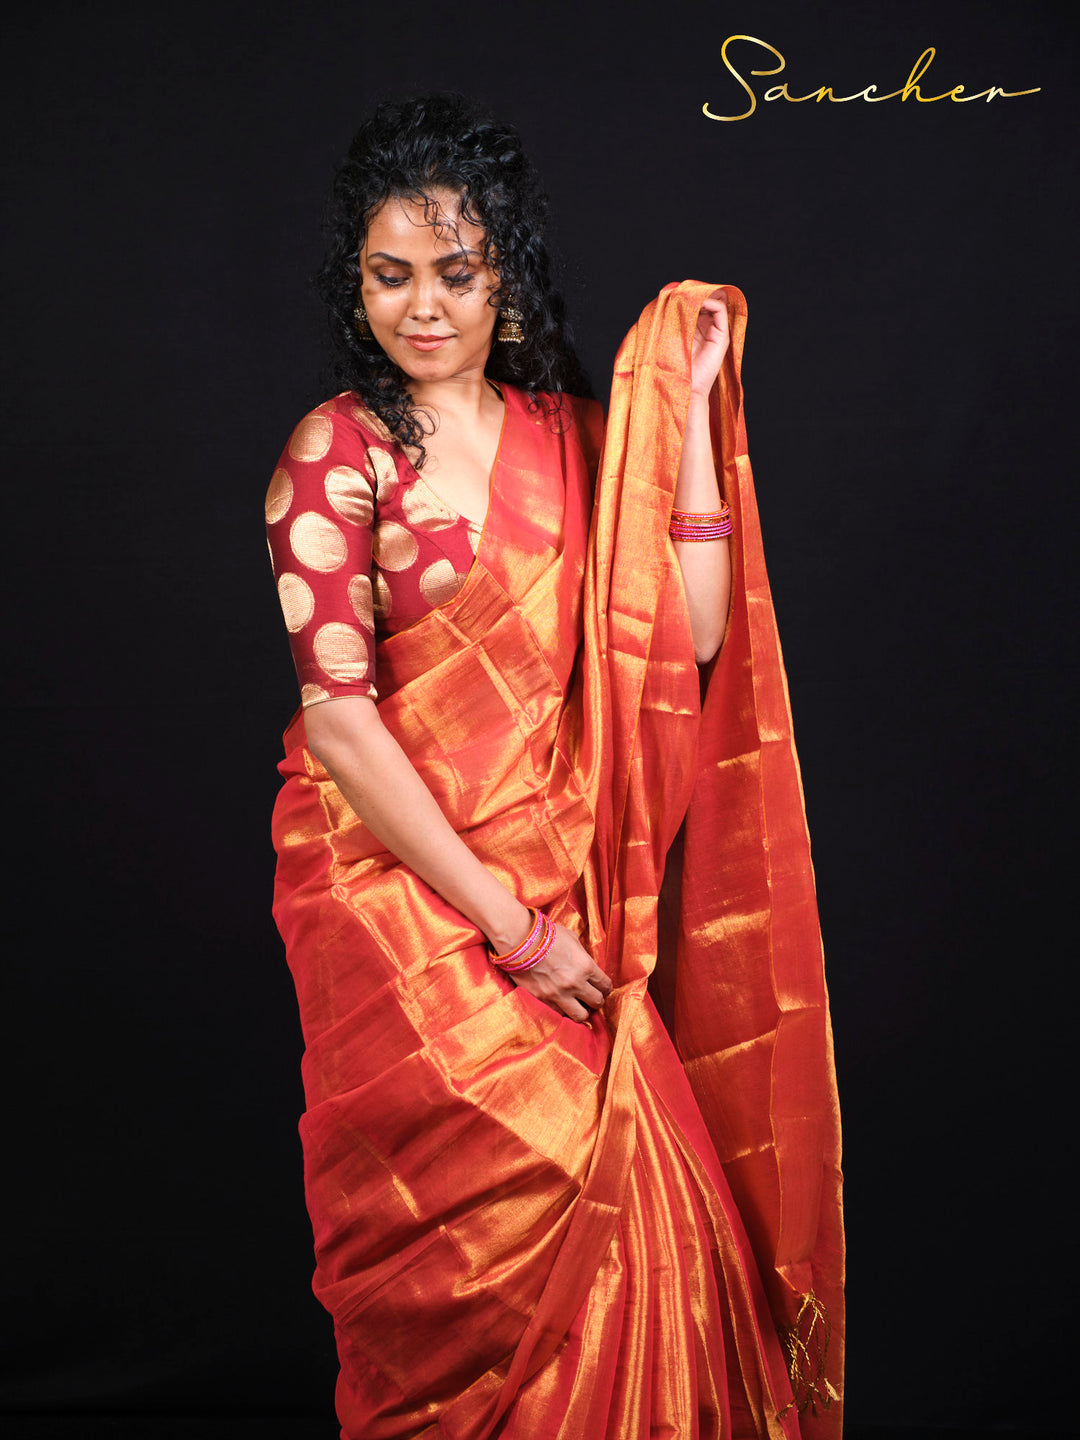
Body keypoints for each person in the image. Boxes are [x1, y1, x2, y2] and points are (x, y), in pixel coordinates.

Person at [266, 93, 843, 1440]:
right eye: (390, 274)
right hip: (402, 896)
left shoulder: (574, 442)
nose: (423, 306)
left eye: (455, 273)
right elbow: (341, 724)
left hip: (561, 881)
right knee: (487, 1214)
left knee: (647, 1205)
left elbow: (692, 631)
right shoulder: (337, 450)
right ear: (357, 285)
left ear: (503, 279)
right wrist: (510, 928)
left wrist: (686, 412)